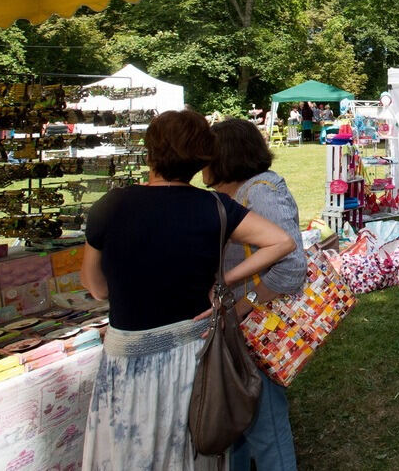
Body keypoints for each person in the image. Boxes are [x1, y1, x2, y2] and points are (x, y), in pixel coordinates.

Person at [80, 110, 295, 470]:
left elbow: (96, 287)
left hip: (128, 359)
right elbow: (280, 242)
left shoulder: (110, 205)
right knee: (189, 450)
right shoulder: (214, 207)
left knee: (128, 452)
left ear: (150, 153)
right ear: (201, 159)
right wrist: (223, 282)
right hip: (192, 355)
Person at [203, 119, 307, 471]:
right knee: (245, 423)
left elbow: (292, 265)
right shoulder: (235, 193)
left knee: (267, 426)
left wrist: (247, 305)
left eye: (207, 153)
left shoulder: (260, 191)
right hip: (241, 325)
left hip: (258, 326)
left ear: (224, 156)